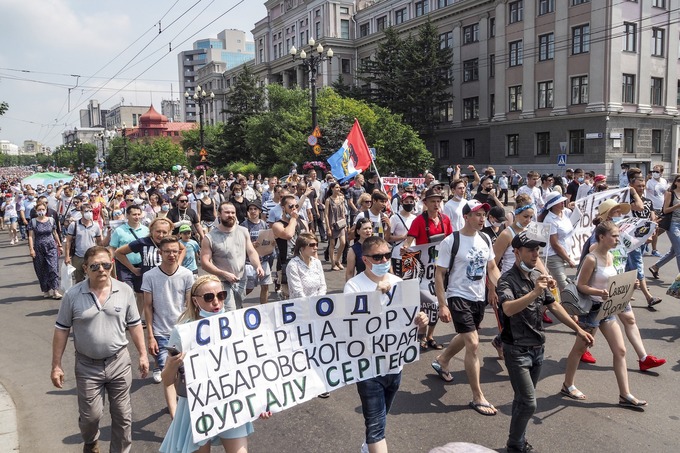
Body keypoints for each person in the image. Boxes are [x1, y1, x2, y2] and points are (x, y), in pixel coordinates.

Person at [497, 232, 594, 453]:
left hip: (537, 348)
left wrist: (578, 329)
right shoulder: (507, 280)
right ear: (516, 253)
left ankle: (515, 442)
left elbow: (554, 306)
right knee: (529, 402)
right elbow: (508, 309)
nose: (535, 254)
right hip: (517, 350)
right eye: (530, 249)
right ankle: (515, 445)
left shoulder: (537, 276)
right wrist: (534, 292)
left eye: (537, 250)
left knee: (522, 400)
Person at [51, 246, 149, 453]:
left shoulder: (124, 290)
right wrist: (56, 366)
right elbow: (61, 330)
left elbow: (134, 325)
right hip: (87, 366)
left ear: (112, 265)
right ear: (85, 268)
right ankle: (90, 442)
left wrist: (142, 354)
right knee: (91, 417)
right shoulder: (73, 295)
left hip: (119, 362)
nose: (101, 270)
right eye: (95, 266)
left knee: (123, 415)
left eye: (106, 265)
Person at [159, 275, 272, 453]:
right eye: (209, 297)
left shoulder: (236, 324)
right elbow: (167, 380)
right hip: (197, 406)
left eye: (221, 295)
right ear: (195, 301)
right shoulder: (183, 332)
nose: (216, 302)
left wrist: (261, 401)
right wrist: (173, 364)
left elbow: (251, 367)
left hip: (232, 401)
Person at [344, 236, 428, 453]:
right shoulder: (353, 286)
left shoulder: (400, 284)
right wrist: (375, 294)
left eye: (387, 256)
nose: (384, 260)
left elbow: (413, 330)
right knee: (376, 428)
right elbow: (352, 328)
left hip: (395, 366)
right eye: (377, 256)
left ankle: (368, 445)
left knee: (381, 417)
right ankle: (372, 443)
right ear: (365, 259)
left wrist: (421, 324)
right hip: (369, 369)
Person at [561, 222, 647, 407]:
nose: (617, 239)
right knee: (579, 350)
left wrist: (630, 286)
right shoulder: (591, 259)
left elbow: (613, 283)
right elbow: (580, 285)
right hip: (591, 311)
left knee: (621, 351)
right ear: (602, 236)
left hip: (607, 310)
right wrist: (599, 292)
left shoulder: (610, 256)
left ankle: (625, 394)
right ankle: (568, 385)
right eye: (614, 236)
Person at [432, 200, 501, 416]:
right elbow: (439, 274)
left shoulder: (485, 238)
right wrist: (442, 304)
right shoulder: (451, 241)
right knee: (473, 343)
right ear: (466, 217)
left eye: (484, 214)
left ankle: (442, 360)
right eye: (477, 214)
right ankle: (477, 396)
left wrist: (499, 289)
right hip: (457, 295)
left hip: (478, 297)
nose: (482, 219)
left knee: (466, 334)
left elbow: (491, 267)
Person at [142, 236, 193, 418]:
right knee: (168, 375)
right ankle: (174, 416)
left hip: (183, 332)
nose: (171, 255)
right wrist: (150, 335)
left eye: (175, 251)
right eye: (167, 251)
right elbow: (147, 306)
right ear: (160, 253)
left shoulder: (187, 275)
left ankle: (180, 403)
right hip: (161, 333)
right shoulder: (149, 276)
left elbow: (190, 305)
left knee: (184, 372)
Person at [402, 187, 453, 352]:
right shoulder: (419, 221)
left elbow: (450, 241)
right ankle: (421, 335)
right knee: (425, 303)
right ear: (425, 203)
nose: (436, 204)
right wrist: (405, 248)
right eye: (433, 201)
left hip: (440, 269)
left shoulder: (445, 219)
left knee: (438, 302)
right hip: (424, 270)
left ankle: (430, 336)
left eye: (439, 201)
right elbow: (409, 240)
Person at [201, 202, 264, 310]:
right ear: (219, 214)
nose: (230, 215)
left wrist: (258, 266)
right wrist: (223, 274)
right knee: (231, 311)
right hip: (223, 282)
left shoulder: (243, 231)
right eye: (227, 212)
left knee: (238, 308)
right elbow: (204, 263)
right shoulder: (210, 237)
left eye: (232, 212)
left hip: (241, 280)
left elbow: (251, 251)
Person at [109, 204, 150, 315]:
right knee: (126, 292)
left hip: (142, 266)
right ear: (127, 215)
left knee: (141, 293)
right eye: (134, 214)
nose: (136, 217)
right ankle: (124, 316)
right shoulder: (119, 231)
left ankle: (136, 317)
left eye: (138, 214)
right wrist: (108, 265)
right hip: (124, 266)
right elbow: (113, 248)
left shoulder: (146, 230)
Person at [272, 194, 308, 298]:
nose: (294, 209)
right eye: (291, 206)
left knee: (304, 294)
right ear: (283, 208)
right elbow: (288, 235)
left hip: (304, 262)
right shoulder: (278, 225)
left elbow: (310, 242)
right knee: (288, 297)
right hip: (286, 264)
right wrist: (293, 219)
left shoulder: (302, 222)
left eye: (296, 206)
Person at [28, 201, 63, 299]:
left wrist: (59, 245)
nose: (41, 211)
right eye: (39, 210)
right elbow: (30, 236)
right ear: (36, 210)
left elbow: (55, 233)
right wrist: (31, 249)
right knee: (41, 269)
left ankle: (55, 290)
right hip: (38, 247)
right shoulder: (33, 222)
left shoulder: (51, 220)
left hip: (51, 246)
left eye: (43, 209)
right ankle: (46, 290)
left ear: (46, 210)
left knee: (53, 268)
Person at [241, 200, 274, 304]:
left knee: (265, 286)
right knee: (249, 288)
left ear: (259, 211)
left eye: (255, 209)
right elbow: (239, 243)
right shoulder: (244, 225)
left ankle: (264, 308)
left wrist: (271, 244)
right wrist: (250, 245)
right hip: (249, 262)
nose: (253, 211)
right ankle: (237, 302)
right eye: (250, 209)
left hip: (263, 260)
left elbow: (268, 238)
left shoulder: (264, 224)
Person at [542, 192, 575, 292]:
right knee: (566, 287)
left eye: (563, 201)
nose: (563, 203)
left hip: (566, 253)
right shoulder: (549, 220)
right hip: (554, 256)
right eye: (559, 202)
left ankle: (547, 304)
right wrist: (568, 259)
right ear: (553, 205)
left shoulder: (566, 212)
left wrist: (575, 205)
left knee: (552, 286)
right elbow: (555, 244)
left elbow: (580, 214)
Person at [64, 202, 104, 283]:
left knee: (94, 278)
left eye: (90, 211)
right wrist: (67, 256)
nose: (89, 213)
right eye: (86, 211)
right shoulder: (74, 225)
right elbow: (68, 241)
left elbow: (100, 242)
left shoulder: (96, 226)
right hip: (78, 257)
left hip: (92, 257)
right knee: (79, 280)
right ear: (81, 212)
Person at [649, 173, 680, 273]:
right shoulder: (671, 193)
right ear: (675, 182)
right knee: (679, 251)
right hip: (673, 224)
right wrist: (677, 205)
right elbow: (665, 210)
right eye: (679, 180)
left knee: (674, 251)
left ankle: (656, 266)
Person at [286, 232, 326, 300]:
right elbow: (297, 291)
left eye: (317, 244)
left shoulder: (317, 262)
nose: (315, 248)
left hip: (317, 304)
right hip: (300, 304)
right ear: (301, 248)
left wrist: (318, 300)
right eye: (312, 245)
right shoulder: (293, 265)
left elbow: (323, 286)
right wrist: (309, 304)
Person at [324, 182, 348, 271]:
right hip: (332, 224)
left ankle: (337, 260)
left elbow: (343, 212)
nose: (338, 189)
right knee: (332, 244)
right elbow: (326, 214)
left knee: (343, 242)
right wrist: (328, 227)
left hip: (341, 223)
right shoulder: (328, 200)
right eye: (336, 187)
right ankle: (333, 263)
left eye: (339, 187)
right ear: (332, 189)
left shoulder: (341, 199)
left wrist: (345, 224)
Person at [646, 164, 668, 257]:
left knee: (664, 227)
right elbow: (644, 189)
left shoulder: (664, 181)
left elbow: (666, 193)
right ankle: (654, 250)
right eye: (653, 171)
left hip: (661, 208)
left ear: (661, 173)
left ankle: (646, 240)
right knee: (656, 229)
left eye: (657, 171)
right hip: (652, 209)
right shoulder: (649, 182)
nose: (654, 173)